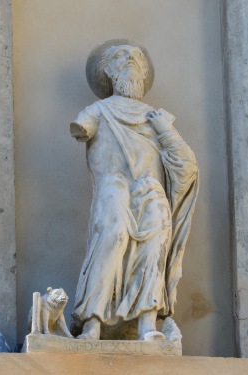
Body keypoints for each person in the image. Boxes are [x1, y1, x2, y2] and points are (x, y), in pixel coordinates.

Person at [70, 40, 198, 341]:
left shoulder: (158, 119)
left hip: (150, 189)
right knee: (112, 234)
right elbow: (81, 127)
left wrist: (166, 131)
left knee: (154, 243)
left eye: (137, 58)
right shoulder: (98, 111)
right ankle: (92, 324)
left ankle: (147, 325)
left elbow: (187, 166)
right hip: (113, 184)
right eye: (121, 57)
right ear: (110, 72)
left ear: (143, 74)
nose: (130, 60)